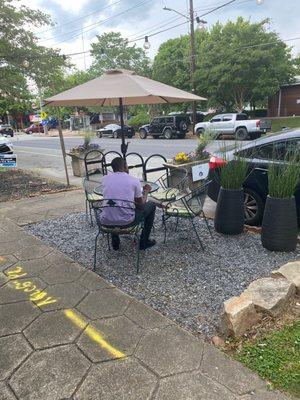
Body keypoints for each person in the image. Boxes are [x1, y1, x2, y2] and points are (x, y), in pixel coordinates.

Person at [101, 157, 156, 250]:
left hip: (106, 221)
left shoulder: (104, 179)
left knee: (113, 205)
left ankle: (115, 241)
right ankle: (144, 241)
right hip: (127, 222)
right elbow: (141, 206)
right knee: (151, 205)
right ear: (125, 166)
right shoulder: (134, 180)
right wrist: (146, 191)